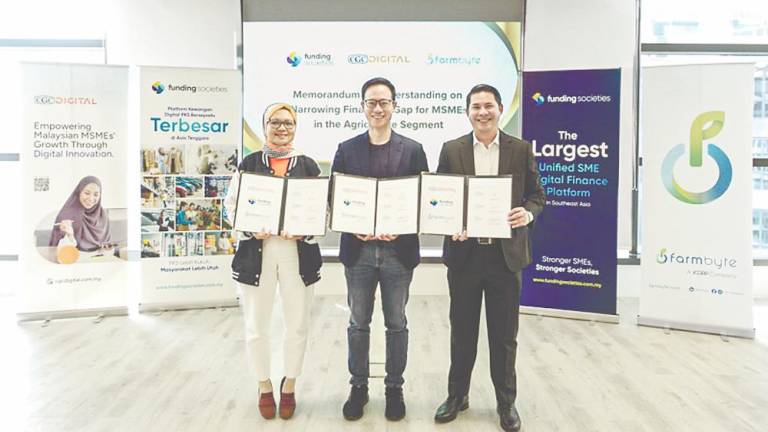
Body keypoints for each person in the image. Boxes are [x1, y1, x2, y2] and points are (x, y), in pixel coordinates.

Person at [433, 84, 545, 432]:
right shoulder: (451, 149)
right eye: (476, 107)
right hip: (465, 256)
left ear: (500, 109)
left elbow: (536, 196)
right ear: (468, 112)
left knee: (503, 335)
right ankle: (457, 396)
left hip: (504, 258)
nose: (483, 112)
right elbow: (441, 197)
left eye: (489, 106)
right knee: (462, 332)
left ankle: (506, 402)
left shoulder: (520, 148)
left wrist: (526, 214)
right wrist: (450, 223)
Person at [331, 77, 429, 422]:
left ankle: (394, 388)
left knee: (397, 323)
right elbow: (335, 199)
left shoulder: (414, 149)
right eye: (371, 102)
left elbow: (423, 202)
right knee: (358, 323)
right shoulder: (346, 148)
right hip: (357, 253)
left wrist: (401, 227)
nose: (377, 108)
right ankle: (358, 387)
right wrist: (350, 224)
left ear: (394, 106)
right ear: (362, 107)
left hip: (397, 254)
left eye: (384, 102)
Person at [224, 103, 322, 421]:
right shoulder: (249, 163)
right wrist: (250, 227)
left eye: (288, 122)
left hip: (298, 255)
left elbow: (324, 212)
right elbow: (231, 208)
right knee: (256, 326)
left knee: (297, 325)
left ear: (296, 127)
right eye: (275, 122)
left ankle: (289, 384)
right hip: (257, 253)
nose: (282, 128)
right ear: (265, 126)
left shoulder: (308, 165)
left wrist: (306, 230)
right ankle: (264, 385)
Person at [49, 176, 111, 252]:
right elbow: (56, 250)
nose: (91, 199)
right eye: (87, 193)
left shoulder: (103, 215)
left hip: (98, 258)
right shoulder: (66, 216)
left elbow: (107, 244)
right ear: (79, 192)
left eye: (96, 194)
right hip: (74, 260)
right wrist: (70, 236)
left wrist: (106, 249)